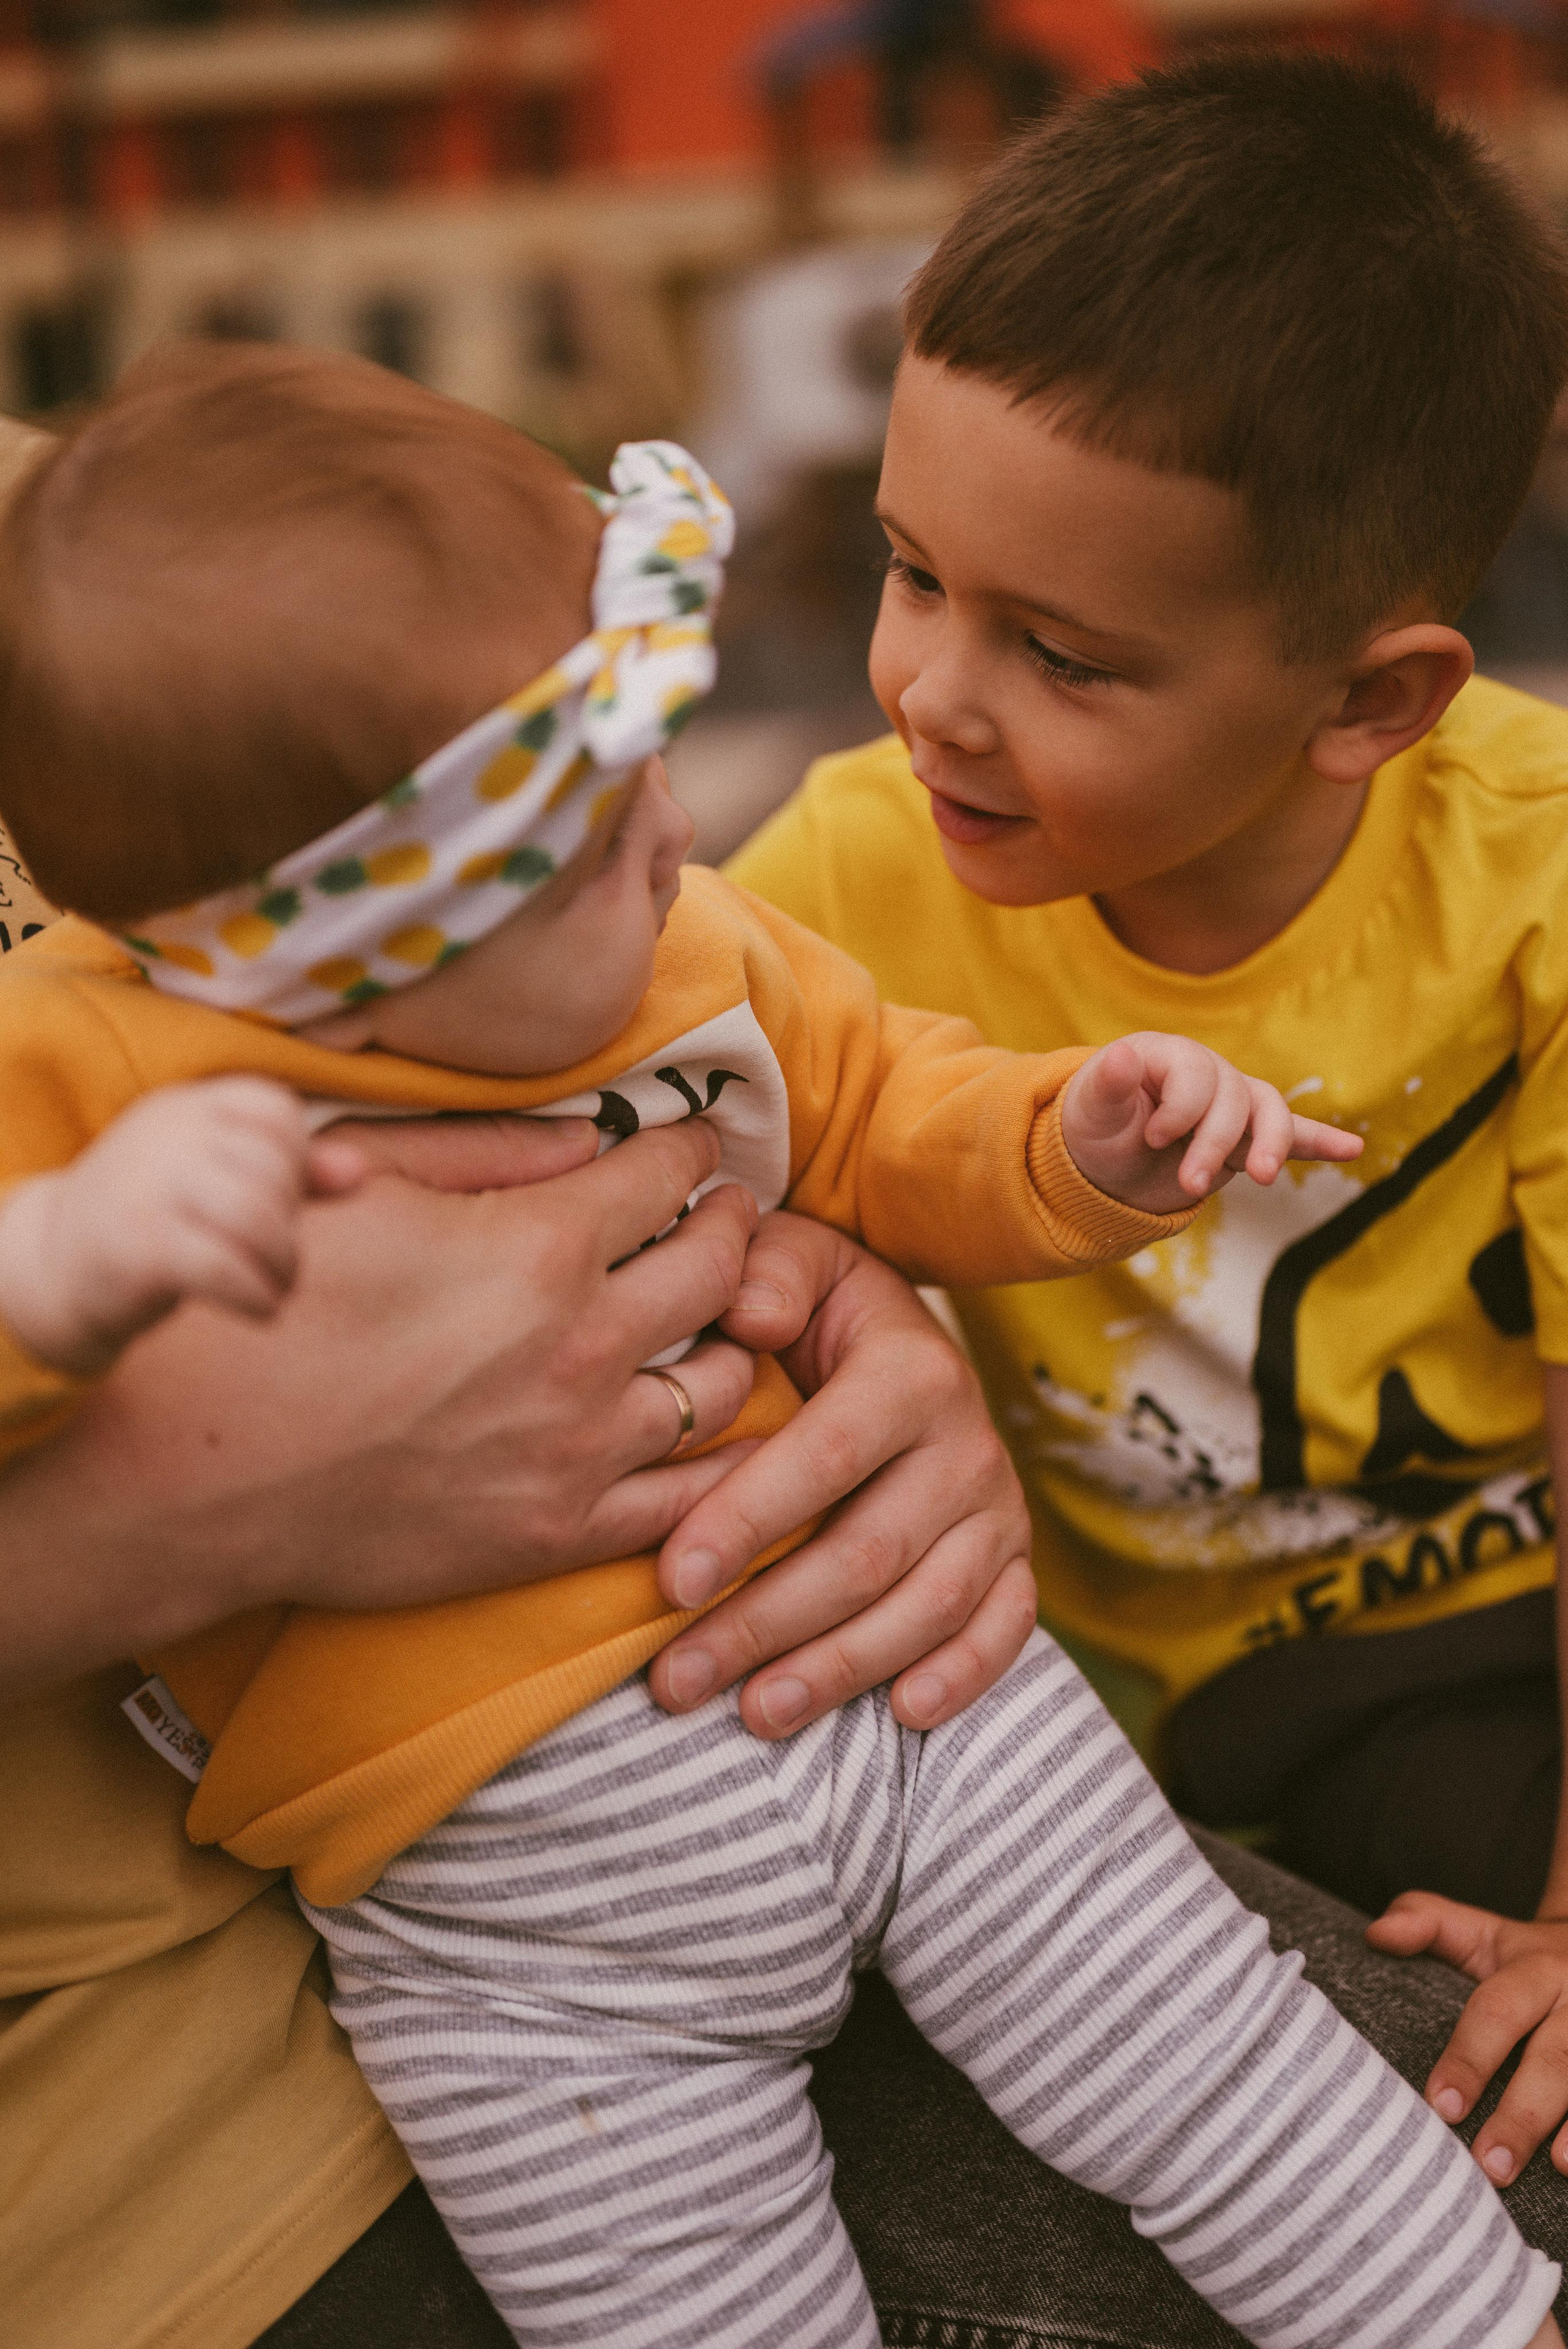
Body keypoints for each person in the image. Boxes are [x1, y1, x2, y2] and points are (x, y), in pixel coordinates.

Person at [0, 346, 1481, 2349]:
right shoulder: (89, 1069)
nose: (682, 830)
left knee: (1230, 2062)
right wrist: (64, 1267)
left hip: (920, 1711)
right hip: (517, 1924)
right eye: (604, 836)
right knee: (687, 2307)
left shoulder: (687, 938)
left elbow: (887, 1102)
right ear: (359, 957)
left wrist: (1078, 1137)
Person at [729, 39, 1568, 2223]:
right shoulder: (836, 877)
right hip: (1108, 1698)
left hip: (1494, 1633)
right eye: (912, 574)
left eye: (1064, 655)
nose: (930, 691)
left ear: (1368, 701)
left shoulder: (1537, 882)